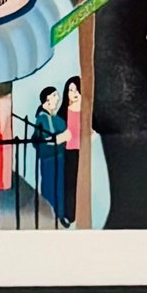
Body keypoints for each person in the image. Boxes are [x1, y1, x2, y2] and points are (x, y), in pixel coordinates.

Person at [32, 85, 66, 222]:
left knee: (59, 186)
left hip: (59, 157)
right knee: (50, 186)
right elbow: (46, 138)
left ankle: (59, 214)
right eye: (55, 95)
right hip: (49, 158)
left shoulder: (55, 118)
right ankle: (50, 214)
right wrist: (60, 138)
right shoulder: (42, 119)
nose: (58, 98)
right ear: (47, 99)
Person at [61, 76, 83, 227]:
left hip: (83, 153)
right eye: (70, 90)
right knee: (69, 184)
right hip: (68, 153)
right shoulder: (64, 112)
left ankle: (76, 212)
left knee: (79, 185)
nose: (73, 93)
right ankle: (69, 214)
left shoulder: (87, 112)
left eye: (76, 90)